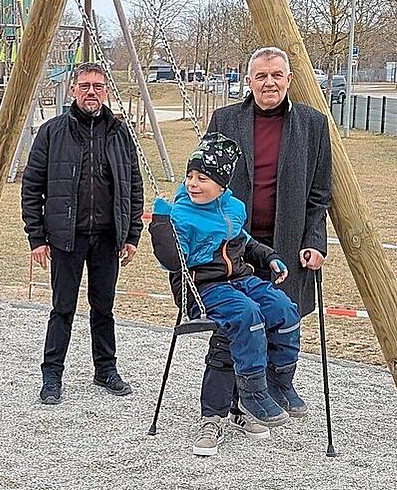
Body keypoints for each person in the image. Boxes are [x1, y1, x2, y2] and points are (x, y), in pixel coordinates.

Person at [182, 46, 332, 455]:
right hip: (234, 247)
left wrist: (314, 242)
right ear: (249, 81)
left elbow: (319, 195)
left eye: (277, 75)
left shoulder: (313, 125)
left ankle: (259, 401)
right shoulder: (225, 120)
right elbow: (202, 185)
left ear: (289, 79)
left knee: (277, 318)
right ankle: (215, 413)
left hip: (284, 245)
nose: (269, 83)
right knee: (231, 329)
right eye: (261, 75)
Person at [149, 133, 304, 456]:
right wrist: (161, 222)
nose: (192, 184)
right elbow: (172, 260)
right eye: (190, 176)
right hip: (203, 287)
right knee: (246, 318)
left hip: (239, 280)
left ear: (222, 186)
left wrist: (268, 256)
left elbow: (242, 241)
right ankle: (247, 395)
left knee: (284, 310)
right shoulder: (180, 214)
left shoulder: (232, 207)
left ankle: (280, 380)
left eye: (202, 178)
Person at [21, 62, 144, 405]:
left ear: (106, 91)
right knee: (63, 308)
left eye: (98, 86)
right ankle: (52, 375)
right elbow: (32, 187)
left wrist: (131, 234)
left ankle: (105, 369)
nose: (92, 92)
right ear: (73, 90)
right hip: (65, 237)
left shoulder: (120, 133)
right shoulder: (52, 132)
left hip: (107, 238)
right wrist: (37, 237)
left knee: (103, 308)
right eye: (85, 85)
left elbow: (134, 185)